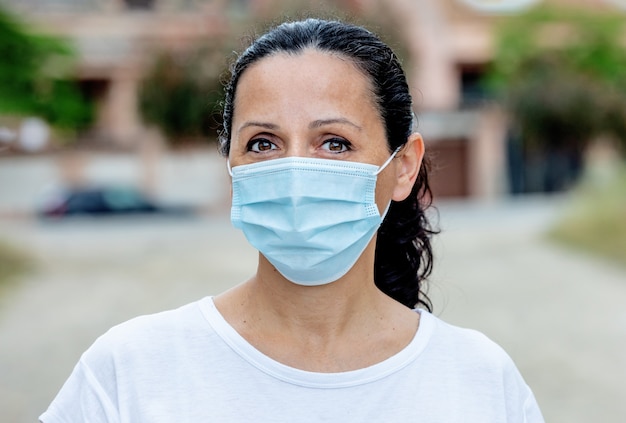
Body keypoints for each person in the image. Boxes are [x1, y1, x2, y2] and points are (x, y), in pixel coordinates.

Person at [40, 18, 544, 422]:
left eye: (334, 143)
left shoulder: (480, 381)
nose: (296, 170)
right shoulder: (130, 371)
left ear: (403, 167)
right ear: (231, 163)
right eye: (263, 143)